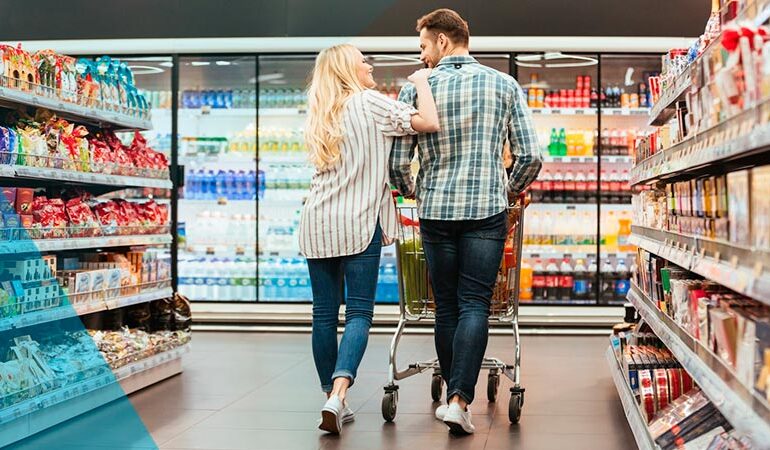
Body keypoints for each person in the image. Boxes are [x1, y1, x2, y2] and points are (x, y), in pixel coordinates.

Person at [389, 9, 542, 435]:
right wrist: (507, 191)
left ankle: (455, 395)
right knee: (476, 302)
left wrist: (416, 191)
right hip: (486, 212)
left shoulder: (416, 89)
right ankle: (459, 400)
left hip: (436, 212)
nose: (422, 55)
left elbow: (399, 164)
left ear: (441, 40)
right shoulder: (503, 84)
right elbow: (530, 156)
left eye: (423, 45)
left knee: (447, 306)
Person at [299, 43, 440, 435]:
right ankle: (340, 394)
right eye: (364, 61)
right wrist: (422, 81)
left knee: (324, 315)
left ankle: (330, 395)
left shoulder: (321, 111)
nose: (370, 65)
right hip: (359, 224)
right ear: (349, 68)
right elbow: (428, 122)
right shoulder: (370, 103)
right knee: (359, 312)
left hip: (317, 222)